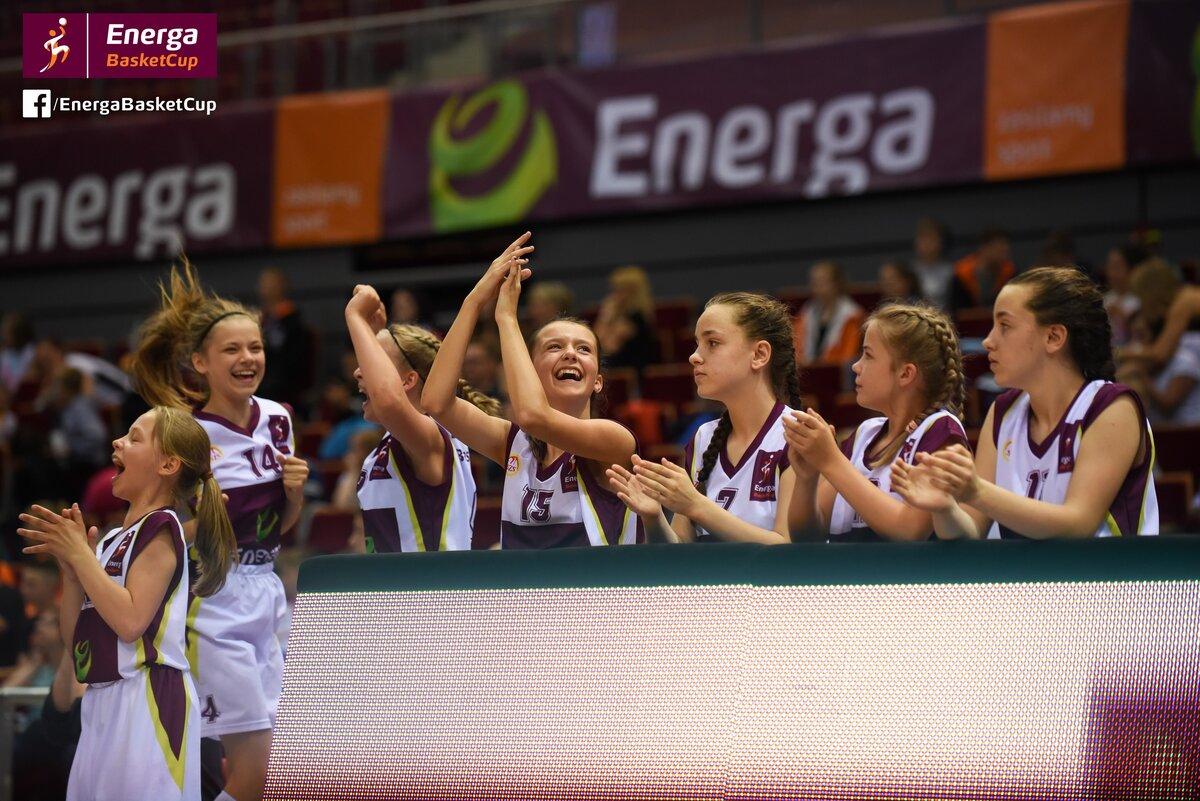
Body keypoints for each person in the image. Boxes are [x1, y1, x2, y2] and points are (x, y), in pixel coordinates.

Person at [129, 260, 308, 801]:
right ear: (200, 363)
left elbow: (282, 527)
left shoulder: (279, 417)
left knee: (277, 768)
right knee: (255, 773)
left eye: (255, 347)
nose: (248, 358)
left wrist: (295, 494)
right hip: (213, 594)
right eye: (232, 349)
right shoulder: (182, 432)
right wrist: (201, 522)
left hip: (269, 589)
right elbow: (147, 526)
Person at [17, 405, 236, 801]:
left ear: (168, 464)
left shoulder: (162, 527)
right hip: (101, 697)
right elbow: (76, 642)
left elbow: (131, 622)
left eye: (134, 438)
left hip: (149, 696)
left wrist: (83, 560)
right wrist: (72, 571)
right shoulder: (109, 540)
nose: (117, 441)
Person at [891, 267, 1159, 540]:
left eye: (1005, 326)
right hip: (1022, 571)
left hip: (1105, 569)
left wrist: (977, 491)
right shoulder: (1002, 412)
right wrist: (945, 508)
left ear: (1053, 337)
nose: (988, 341)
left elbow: (1079, 524)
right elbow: (971, 533)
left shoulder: (1112, 408)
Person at [423, 233, 640, 549]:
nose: (570, 354)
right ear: (530, 373)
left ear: (598, 381)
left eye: (583, 349)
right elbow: (436, 402)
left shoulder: (614, 440)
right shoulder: (515, 445)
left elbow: (533, 416)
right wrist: (473, 302)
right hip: (522, 584)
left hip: (595, 584)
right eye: (554, 347)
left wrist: (506, 318)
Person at [607, 292, 800, 544]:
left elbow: (789, 549)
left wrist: (697, 506)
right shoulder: (704, 436)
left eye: (713, 343)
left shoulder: (799, 434)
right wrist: (653, 517)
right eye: (697, 343)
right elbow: (681, 551)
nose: (694, 356)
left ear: (759, 354)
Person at [785, 303, 967, 541]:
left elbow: (910, 530)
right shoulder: (865, 434)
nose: (856, 366)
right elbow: (806, 537)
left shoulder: (940, 429)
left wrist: (830, 461)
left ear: (905, 374)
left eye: (868, 355)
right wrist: (807, 478)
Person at [346, 285, 499, 552]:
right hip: (400, 579)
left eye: (372, 364)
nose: (359, 372)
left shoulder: (431, 434)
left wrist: (355, 316)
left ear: (408, 381)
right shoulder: (401, 440)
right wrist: (374, 333)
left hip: (431, 579)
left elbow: (389, 401)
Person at [257, 267, 313, 409]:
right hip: (260, 380)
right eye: (264, 285)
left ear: (283, 287)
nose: (267, 290)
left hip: (284, 386)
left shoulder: (292, 321)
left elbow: (294, 360)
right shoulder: (259, 319)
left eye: (272, 285)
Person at [793, 260, 864, 366]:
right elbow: (796, 349)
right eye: (814, 282)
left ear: (837, 284)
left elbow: (847, 357)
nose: (816, 287)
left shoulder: (852, 316)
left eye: (822, 281)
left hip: (836, 372)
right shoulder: (805, 313)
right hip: (807, 371)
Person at [594, 265, 660, 376]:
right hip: (618, 372)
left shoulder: (636, 319)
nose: (614, 295)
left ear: (633, 293)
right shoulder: (620, 316)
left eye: (619, 290)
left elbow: (602, 347)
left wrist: (606, 316)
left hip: (630, 376)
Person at [951, 229, 1015, 310]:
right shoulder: (961, 274)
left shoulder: (1010, 273)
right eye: (999, 250)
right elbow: (957, 310)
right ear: (984, 247)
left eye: (1005, 251)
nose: (1003, 256)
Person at [1103, 243, 1146, 346]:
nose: (1111, 272)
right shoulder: (1105, 299)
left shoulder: (1142, 300)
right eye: (1110, 266)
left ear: (1132, 269)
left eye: (1117, 267)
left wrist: (1124, 319)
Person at [911, 219, 955, 310]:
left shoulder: (951, 271)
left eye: (930, 238)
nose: (926, 243)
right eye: (922, 238)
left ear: (941, 242)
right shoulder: (910, 271)